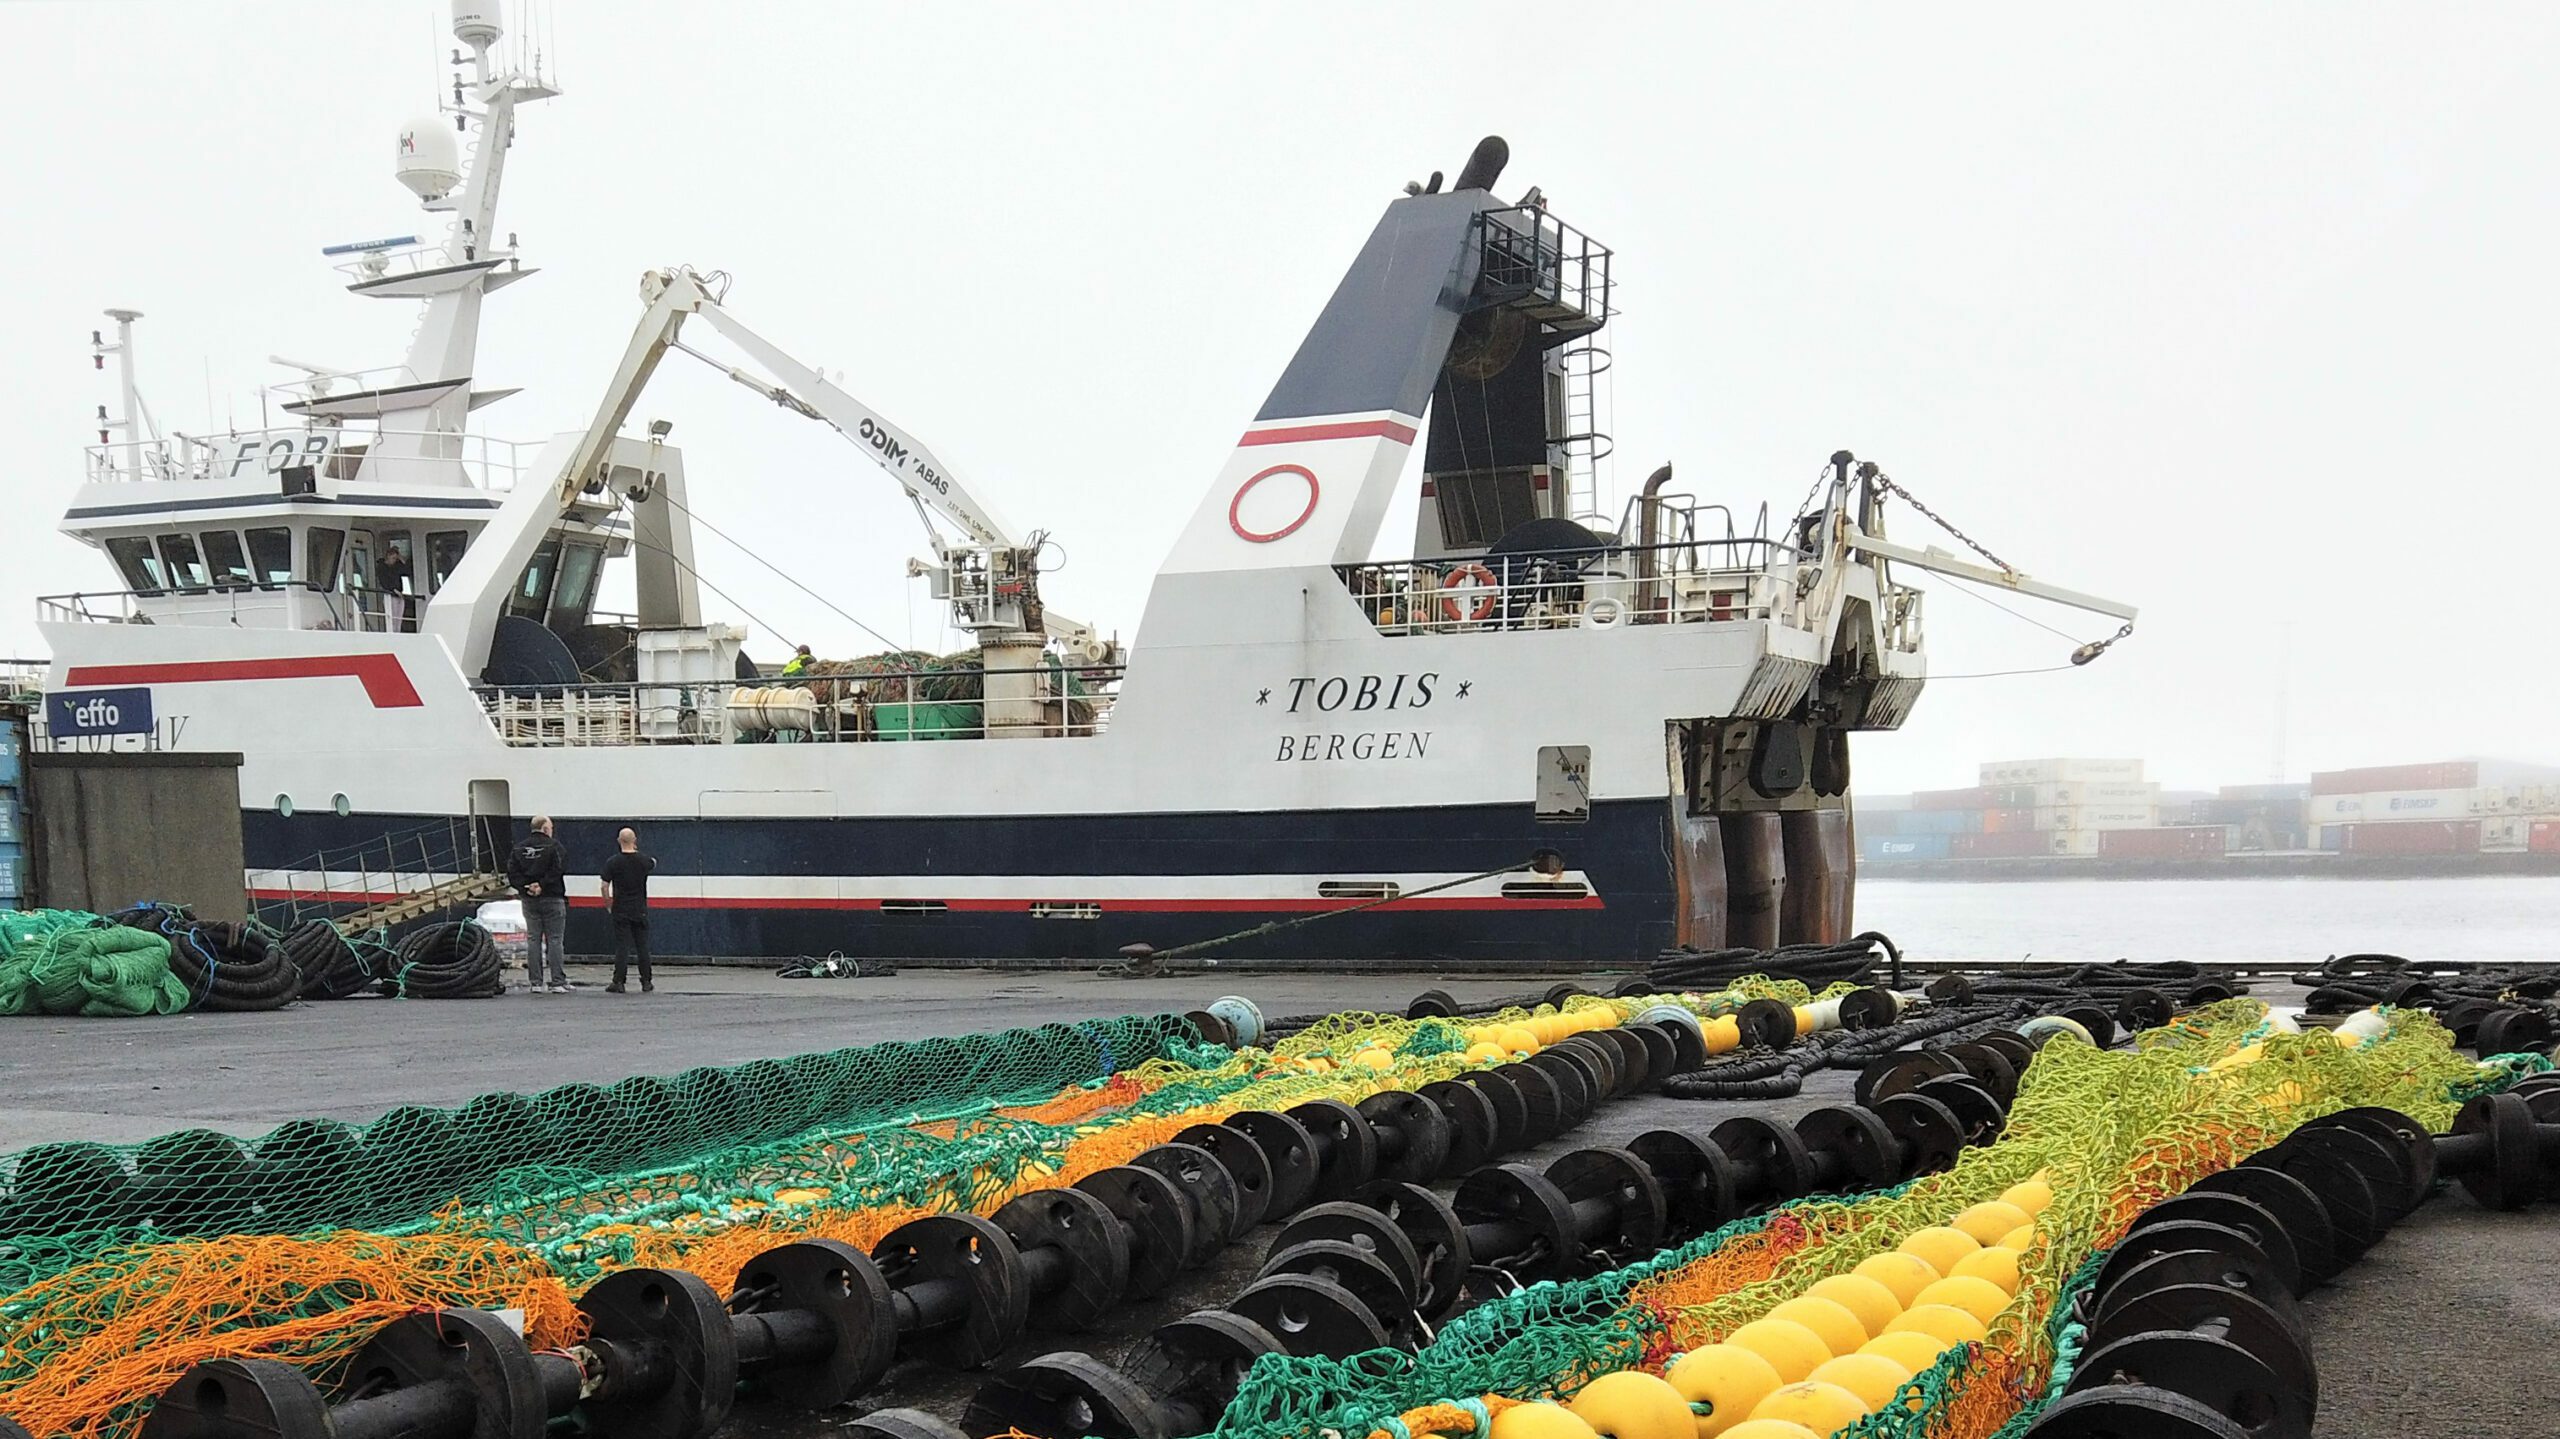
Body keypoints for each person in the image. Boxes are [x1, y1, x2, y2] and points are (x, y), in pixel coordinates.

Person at [507, 815, 570, 992]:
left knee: (533, 939)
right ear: (545, 829)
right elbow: (559, 868)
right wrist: (542, 885)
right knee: (555, 939)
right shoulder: (554, 846)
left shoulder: (519, 848)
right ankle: (557, 981)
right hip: (552, 898)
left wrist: (526, 887)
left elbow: (512, 873)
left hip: (529, 900)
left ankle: (536, 983)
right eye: (550, 827)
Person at [600, 827, 658, 993]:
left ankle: (619, 982)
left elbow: (604, 885)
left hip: (621, 908)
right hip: (640, 908)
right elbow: (653, 862)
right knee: (642, 946)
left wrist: (608, 903)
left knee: (622, 947)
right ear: (635, 841)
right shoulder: (644, 861)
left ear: (619, 841)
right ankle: (646, 981)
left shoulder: (613, 862)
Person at [376, 541, 414, 633]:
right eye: (393, 558)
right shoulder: (382, 567)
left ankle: (398, 633)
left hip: (399, 594)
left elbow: (407, 571)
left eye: (395, 558)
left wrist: (401, 559)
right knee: (392, 618)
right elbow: (384, 582)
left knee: (398, 619)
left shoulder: (397, 566)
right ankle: (392, 633)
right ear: (388, 556)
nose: (394, 560)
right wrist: (394, 590)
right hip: (390, 595)